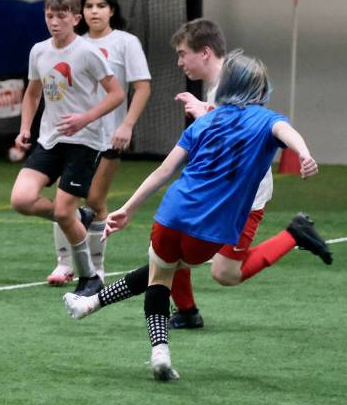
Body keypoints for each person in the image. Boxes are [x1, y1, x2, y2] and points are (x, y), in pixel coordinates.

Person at [62, 51, 329, 381]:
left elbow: (165, 170)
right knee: (180, 270)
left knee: (160, 274)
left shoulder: (205, 121)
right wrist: (303, 154)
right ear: (259, 90)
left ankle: (156, 351)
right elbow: (287, 134)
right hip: (210, 229)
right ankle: (94, 306)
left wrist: (128, 208)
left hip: (171, 213)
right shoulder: (266, 119)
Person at [165, 19, 332, 329]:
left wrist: (303, 152)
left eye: (183, 53)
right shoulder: (218, 86)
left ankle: (294, 234)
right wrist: (205, 110)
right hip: (215, 192)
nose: (179, 61)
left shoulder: (235, 81)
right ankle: (187, 311)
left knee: (224, 273)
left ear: (204, 53)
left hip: (242, 198)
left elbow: (271, 125)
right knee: (168, 241)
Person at [11, 0, 125, 296]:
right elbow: (33, 94)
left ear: (76, 19)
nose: (54, 22)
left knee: (62, 212)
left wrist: (85, 118)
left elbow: (117, 94)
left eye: (61, 16)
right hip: (50, 139)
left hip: (84, 141)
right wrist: (25, 128)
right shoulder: (39, 51)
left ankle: (90, 277)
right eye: (49, 16)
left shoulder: (88, 53)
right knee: (21, 199)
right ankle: (81, 218)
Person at [46, 0, 152, 286]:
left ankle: (95, 266)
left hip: (109, 136)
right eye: (89, 6)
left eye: (100, 6)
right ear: (80, 13)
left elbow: (142, 87)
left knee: (94, 200)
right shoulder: (70, 43)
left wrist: (127, 124)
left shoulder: (125, 43)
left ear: (111, 10)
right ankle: (65, 263)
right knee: (63, 200)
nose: (95, 11)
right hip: (73, 137)